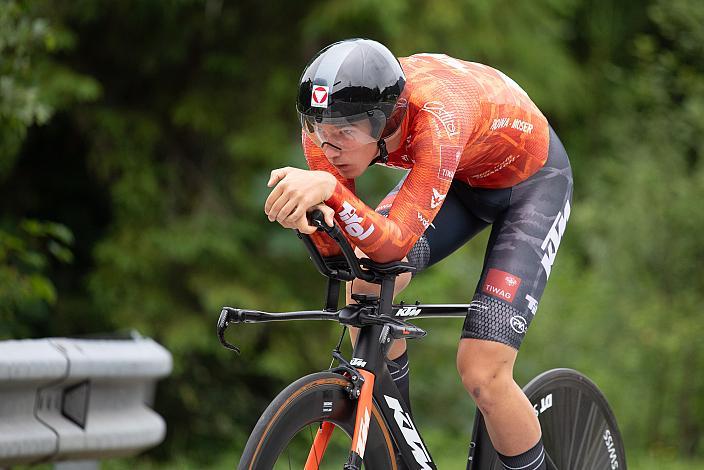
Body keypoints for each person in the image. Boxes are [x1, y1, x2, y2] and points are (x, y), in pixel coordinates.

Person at [264, 38, 572, 470]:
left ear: (385, 119)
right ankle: (400, 447)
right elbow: (346, 250)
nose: (328, 146)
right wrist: (314, 224)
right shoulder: (326, 124)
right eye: (319, 130)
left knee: (482, 372)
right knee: (365, 280)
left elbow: (394, 242)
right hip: (459, 178)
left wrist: (330, 193)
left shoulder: (436, 117)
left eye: (345, 133)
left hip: (530, 186)